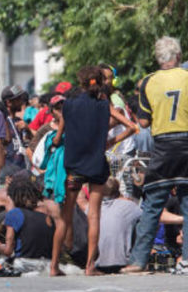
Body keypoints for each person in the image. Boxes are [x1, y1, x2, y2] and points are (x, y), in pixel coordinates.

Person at [123, 37, 188, 275]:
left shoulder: (148, 82)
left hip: (162, 147)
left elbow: (142, 121)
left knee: (152, 204)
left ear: (158, 58)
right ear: (179, 57)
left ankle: (138, 261)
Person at [52, 66, 136, 276]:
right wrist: (108, 142)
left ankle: (54, 266)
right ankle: (90, 266)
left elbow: (57, 137)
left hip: (74, 167)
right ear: (100, 83)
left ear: (81, 83)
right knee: (94, 215)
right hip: (97, 166)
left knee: (66, 215)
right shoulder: (104, 106)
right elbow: (132, 127)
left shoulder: (68, 106)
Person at [96, 178, 142, 273]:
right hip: (121, 263)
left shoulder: (90, 208)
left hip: (96, 262)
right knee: (139, 224)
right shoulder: (130, 206)